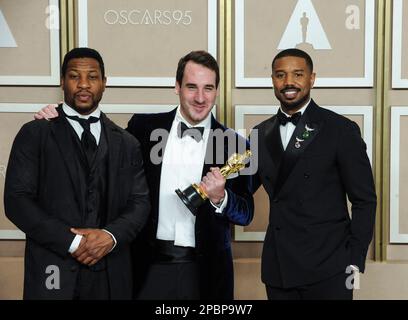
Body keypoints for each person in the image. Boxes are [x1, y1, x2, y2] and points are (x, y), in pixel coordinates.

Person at [34, 50, 254, 300]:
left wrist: (220, 197)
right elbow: (97, 158)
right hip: (146, 269)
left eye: (208, 88)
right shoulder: (143, 128)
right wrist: (61, 118)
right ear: (177, 87)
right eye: (192, 87)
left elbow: (246, 212)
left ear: (217, 90)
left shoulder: (235, 145)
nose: (201, 98)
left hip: (207, 274)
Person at [4, 47, 150, 300]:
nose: (83, 84)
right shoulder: (34, 134)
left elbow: (139, 203)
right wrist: (73, 243)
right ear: (62, 81)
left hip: (111, 276)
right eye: (74, 76)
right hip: (52, 273)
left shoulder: (127, 143)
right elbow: (17, 201)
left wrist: (110, 236)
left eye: (92, 77)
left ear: (104, 83)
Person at [250, 48, 377, 300]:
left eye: (298, 74)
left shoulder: (341, 129)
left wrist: (354, 259)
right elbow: (242, 191)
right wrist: (216, 195)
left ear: (312, 78)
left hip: (330, 268)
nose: (288, 82)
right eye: (280, 75)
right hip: (279, 269)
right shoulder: (259, 133)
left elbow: (365, 200)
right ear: (273, 80)